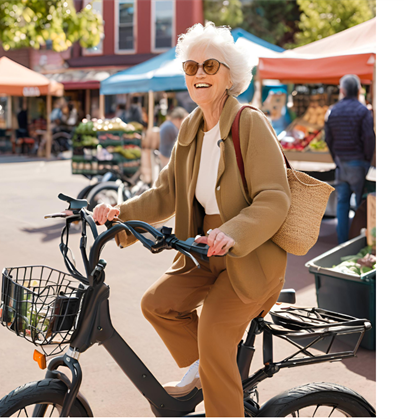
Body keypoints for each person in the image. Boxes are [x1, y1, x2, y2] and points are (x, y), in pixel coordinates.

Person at [89, 22, 291, 417]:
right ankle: (204, 369)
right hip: (202, 253)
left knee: (215, 334)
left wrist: (231, 232)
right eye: (191, 67)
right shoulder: (191, 127)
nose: (199, 75)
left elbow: (275, 198)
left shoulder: (249, 122)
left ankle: (218, 390)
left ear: (230, 74)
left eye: (209, 66)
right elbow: (166, 193)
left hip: (250, 259)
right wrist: (118, 213)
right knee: (158, 303)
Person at [325, 74, 376, 244]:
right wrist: (367, 161)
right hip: (359, 163)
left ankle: (342, 243)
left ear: (342, 90)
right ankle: (358, 243)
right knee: (361, 205)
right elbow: (369, 138)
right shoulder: (363, 111)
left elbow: (328, 139)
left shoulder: (333, 110)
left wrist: (336, 158)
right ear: (359, 90)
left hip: (341, 163)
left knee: (342, 203)